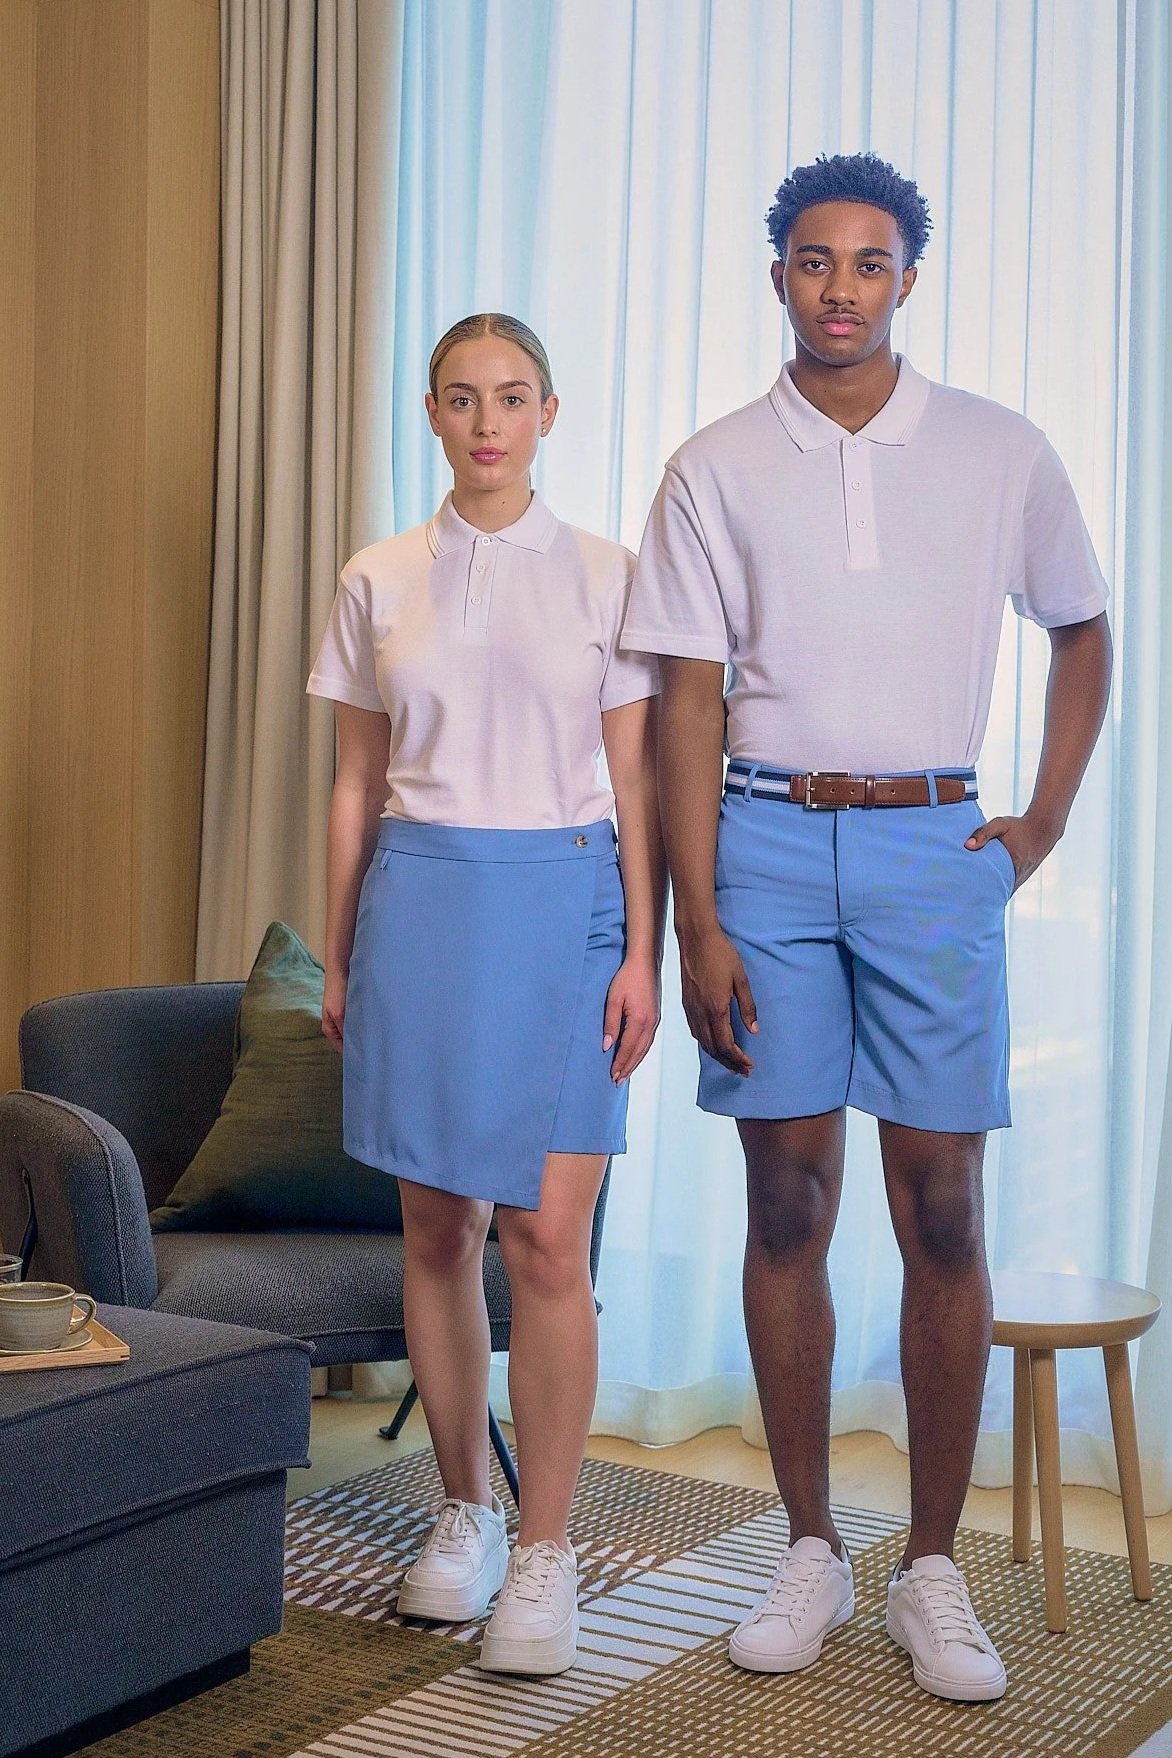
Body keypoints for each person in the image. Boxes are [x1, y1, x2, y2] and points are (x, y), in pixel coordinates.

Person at [621, 152, 1112, 1704]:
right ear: (778, 276)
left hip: (930, 840)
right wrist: (700, 915)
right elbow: (682, 703)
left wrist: (1035, 824)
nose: (841, 286)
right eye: (814, 261)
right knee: (786, 1195)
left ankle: (935, 1568)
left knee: (944, 1206)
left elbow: (1085, 629)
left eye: (871, 262)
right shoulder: (710, 465)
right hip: (758, 845)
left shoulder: (1000, 452)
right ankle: (811, 1545)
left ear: (910, 278)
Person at [307, 313, 664, 1676]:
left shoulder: (607, 575)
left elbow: (635, 781)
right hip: (422, 905)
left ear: (551, 412)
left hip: (571, 905)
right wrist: (340, 954)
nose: (487, 420)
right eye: (462, 399)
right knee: (440, 1226)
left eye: (511, 396)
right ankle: (463, 1509)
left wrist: (645, 950)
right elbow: (353, 782)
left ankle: (550, 1546)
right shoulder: (377, 576)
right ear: (432, 414)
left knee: (547, 1239)